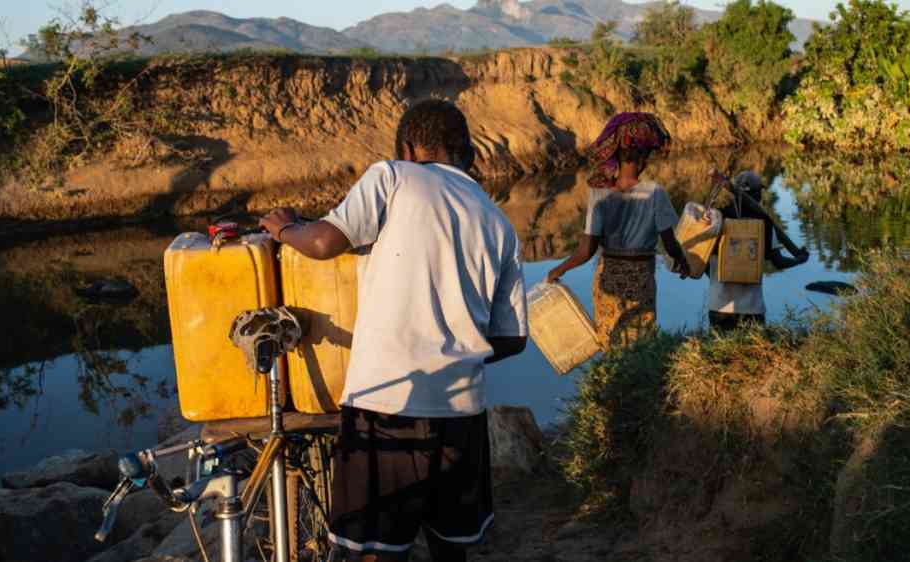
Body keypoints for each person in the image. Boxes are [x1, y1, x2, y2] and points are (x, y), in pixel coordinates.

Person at [259, 99, 528, 562]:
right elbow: (512, 338)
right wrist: (455, 348)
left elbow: (324, 242)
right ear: (466, 153)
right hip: (462, 411)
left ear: (408, 146)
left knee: (378, 549)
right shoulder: (497, 220)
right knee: (450, 548)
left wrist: (284, 230)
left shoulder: (394, 176)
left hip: (388, 404)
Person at [546, 112, 690, 350]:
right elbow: (669, 242)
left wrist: (558, 269)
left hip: (607, 278)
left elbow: (586, 250)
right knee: (640, 342)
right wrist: (682, 262)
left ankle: (613, 382)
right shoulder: (655, 192)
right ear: (642, 157)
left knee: (610, 338)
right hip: (640, 277)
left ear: (616, 156)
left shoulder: (599, 192)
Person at [706, 171, 809, 330]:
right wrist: (799, 260)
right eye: (760, 191)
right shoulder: (765, 224)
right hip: (751, 308)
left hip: (719, 305)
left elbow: (703, 261)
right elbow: (779, 262)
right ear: (756, 194)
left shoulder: (717, 218)